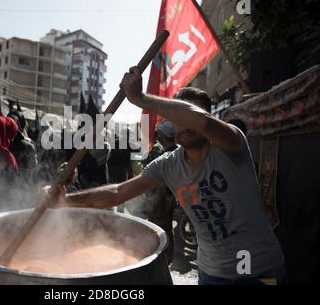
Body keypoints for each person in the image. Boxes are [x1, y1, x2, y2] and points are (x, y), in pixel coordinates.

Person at [41, 67, 285, 285]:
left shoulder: (231, 144)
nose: (184, 125)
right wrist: (65, 200)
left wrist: (142, 99)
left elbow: (204, 123)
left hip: (257, 269)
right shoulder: (169, 164)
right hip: (212, 274)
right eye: (176, 120)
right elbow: (117, 192)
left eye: (188, 117)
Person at [145, 120, 178, 264]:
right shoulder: (179, 153)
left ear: (162, 136)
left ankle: (163, 260)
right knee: (167, 230)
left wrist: (155, 202)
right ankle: (167, 258)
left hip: (164, 201)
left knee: (160, 231)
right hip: (173, 199)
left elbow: (162, 184)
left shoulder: (167, 157)